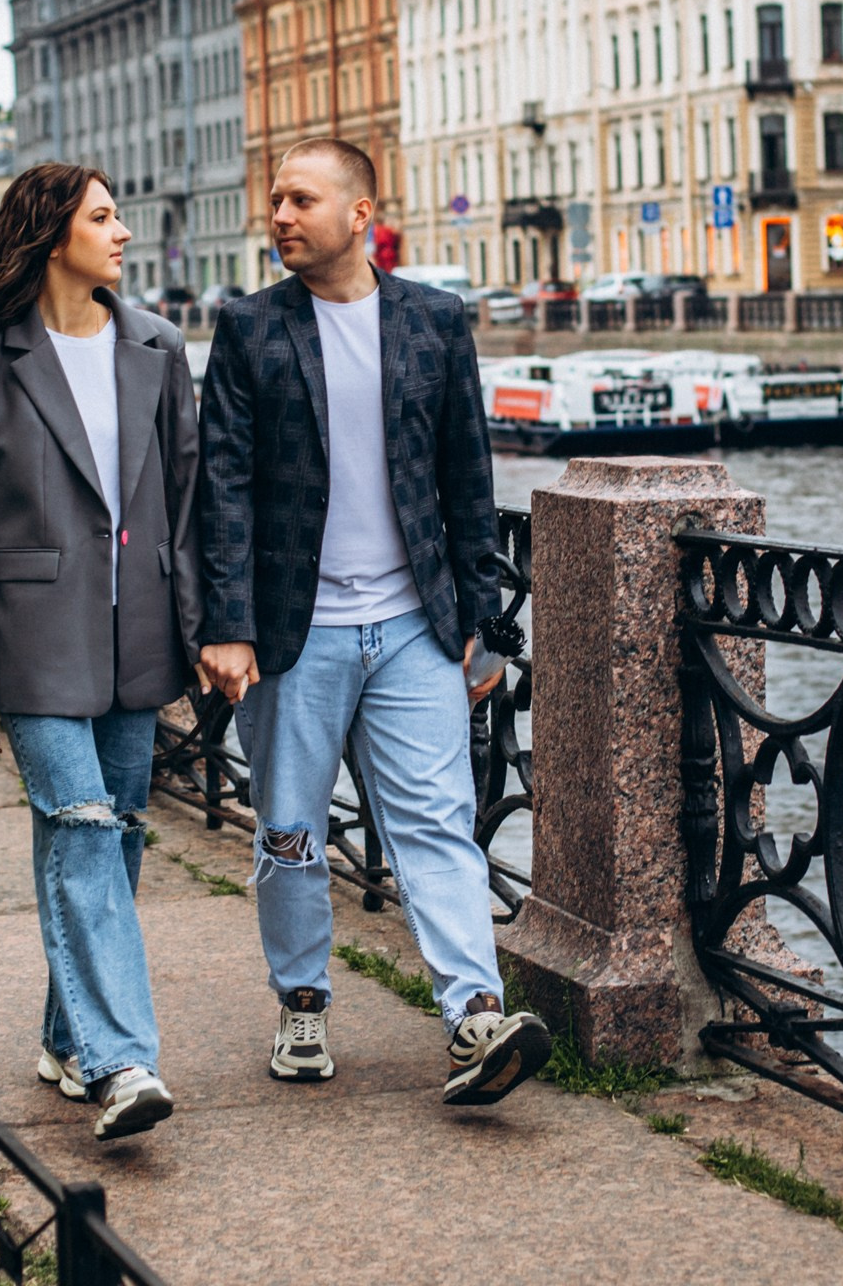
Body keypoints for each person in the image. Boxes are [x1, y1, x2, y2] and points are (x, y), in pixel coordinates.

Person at [196, 136, 553, 1107]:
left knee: (437, 823)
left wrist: (484, 620)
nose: (280, 216)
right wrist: (224, 625)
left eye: (301, 199)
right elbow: (220, 485)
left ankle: (475, 1013)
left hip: (411, 628)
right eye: (274, 200)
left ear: (361, 214)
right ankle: (303, 999)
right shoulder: (250, 327)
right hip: (292, 633)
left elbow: (467, 483)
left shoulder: (435, 323)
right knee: (291, 832)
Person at [0, 162, 200, 1141]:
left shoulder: (157, 347)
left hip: (137, 636)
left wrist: (209, 630)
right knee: (83, 825)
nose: (124, 231)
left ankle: (63, 1032)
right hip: (34, 642)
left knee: (115, 833)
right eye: (104, 216)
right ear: (55, 235)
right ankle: (121, 1060)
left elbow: (184, 500)